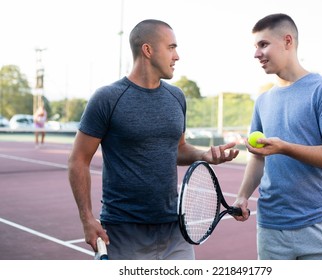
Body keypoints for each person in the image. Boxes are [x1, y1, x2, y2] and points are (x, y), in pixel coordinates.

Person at [68, 19, 239, 260]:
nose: (177, 56)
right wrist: (86, 218)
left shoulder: (176, 97)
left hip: (175, 230)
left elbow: (178, 149)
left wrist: (202, 155)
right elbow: (78, 160)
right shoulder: (107, 98)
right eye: (171, 47)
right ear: (147, 50)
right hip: (123, 232)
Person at [233, 13, 322, 260]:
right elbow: (257, 158)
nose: (256, 54)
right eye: (255, 47)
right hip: (271, 227)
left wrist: (285, 147)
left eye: (263, 44)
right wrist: (243, 195)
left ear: (287, 41)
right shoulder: (263, 100)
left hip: (321, 225)